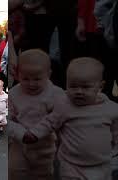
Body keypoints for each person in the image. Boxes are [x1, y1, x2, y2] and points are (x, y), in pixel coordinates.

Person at [22, 57, 118, 180]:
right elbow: (50, 122)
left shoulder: (111, 109)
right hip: (71, 164)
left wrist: (114, 155)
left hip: (101, 165)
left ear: (100, 86)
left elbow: (116, 133)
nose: (79, 91)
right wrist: (34, 133)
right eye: (72, 86)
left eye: (85, 87)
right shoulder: (64, 106)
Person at [8, 49, 66, 179]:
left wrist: (37, 132)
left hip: (45, 144)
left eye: (37, 79)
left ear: (48, 75)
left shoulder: (56, 94)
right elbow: (6, 119)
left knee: (43, 173)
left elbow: (59, 116)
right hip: (19, 143)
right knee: (15, 171)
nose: (31, 83)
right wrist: (21, 133)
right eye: (25, 78)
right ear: (17, 75)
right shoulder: (13, 94)